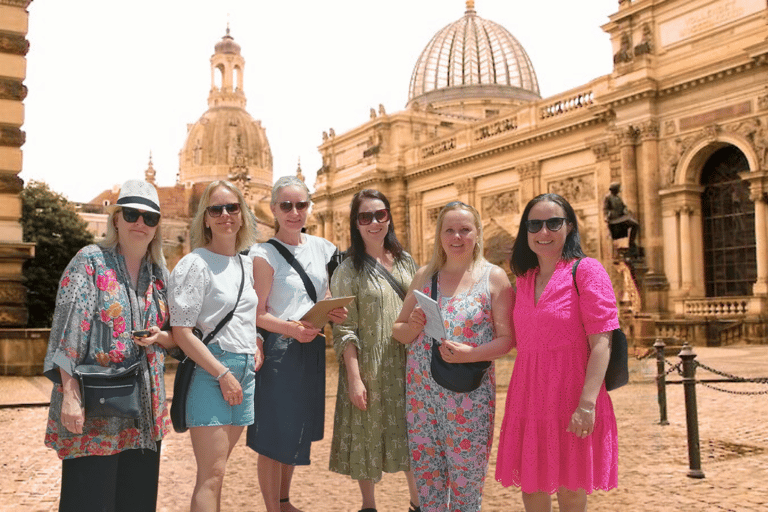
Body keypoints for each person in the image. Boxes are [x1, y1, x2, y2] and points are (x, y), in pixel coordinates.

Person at [43, 179, 175, 512]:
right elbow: (67, 331)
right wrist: (70, 396)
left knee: (137, 502)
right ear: (116, 219)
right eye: (131, 214)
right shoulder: (90, 261)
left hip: (144, 414)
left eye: (150, 217)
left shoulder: (160, 274)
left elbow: (179, 336)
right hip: (94, 412)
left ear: (158, 226)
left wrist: (161, 337)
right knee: (88, 501)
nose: (140, 223)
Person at [495, 193, 619, 512]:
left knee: (571, 489)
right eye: (535, 224)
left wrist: (587, 404)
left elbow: (602, 342)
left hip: (572, 393)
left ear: (569, 227)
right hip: (529, 395)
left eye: (553, 223)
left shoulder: (587, 271)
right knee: (532, 487)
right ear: (526, 231)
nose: (544, 232)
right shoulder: (523, 280)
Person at [392, 201, 514, 511]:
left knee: (465, 491)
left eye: (464, 230)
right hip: (422, 400)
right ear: (439, 235)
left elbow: (507, 340)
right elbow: (398, 331)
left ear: (477, 234)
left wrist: (471, 354)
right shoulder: (425, 275)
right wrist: (414, 324)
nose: (457, 237)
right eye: (450, 230)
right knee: (429, 490)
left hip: (468, 402)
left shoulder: (494, 277)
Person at [247, 175, 348, 512]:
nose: (294, 212)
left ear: (310, 207)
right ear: (274, 209)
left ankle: (285, 500)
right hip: (280, 349)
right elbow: (258, 314)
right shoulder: (263, 253)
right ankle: (272, 508)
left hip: (312, 345)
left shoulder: (323, 247)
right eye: (286, 205)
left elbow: (324, 292)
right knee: (273, 434)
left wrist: (334, 308)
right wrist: (290, 329)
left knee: (295, 429)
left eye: (301, 205)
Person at [168, 180, 260, 512]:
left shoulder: (246, 263)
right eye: (216, 209)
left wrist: (256, 344)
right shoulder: (195, 263)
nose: (225, 215)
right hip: (213, 372)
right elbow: (181, 332)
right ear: (205, 219)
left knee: (220, 474)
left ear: (242, 214)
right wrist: (222, 373)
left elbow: (249, 316)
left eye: (232, 208)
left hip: (245, 372)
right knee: (211, 474)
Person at [329, 190, 421, 512]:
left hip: (407, 365)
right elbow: (344, 331)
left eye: (380, 214)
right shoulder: (347, 272)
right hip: (367, 368)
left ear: (389, 217)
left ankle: (417, 503)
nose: (374, 222)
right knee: (366, 436)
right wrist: (354, 379)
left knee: (412, 433)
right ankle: (369, 505)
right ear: (356, 223)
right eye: (365, 217)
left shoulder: (407, 262)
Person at [603, 182, 639, 252]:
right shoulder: (608, 197)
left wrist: (626, 210)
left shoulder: (618, 198)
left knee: (635, 224)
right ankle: (625, 247)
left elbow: (623, 206)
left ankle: (631, 243)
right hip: (614, 219)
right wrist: (606, 217)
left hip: (621, 218)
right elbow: (605, 209)